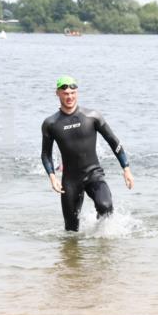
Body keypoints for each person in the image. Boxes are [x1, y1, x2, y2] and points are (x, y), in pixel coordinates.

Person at [40, 76, 134, 231]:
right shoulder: (50, 124)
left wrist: (126, 169)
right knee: (70, 231)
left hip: (93, 174)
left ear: (76, 93)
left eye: (72, 92)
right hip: (70, 181)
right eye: (65, 93)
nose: (69, 96)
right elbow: (45, 154)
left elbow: (114, 142)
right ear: (57, 93)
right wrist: (52, 177)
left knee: (106, 207)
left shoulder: (92, 116)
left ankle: (98, 241)